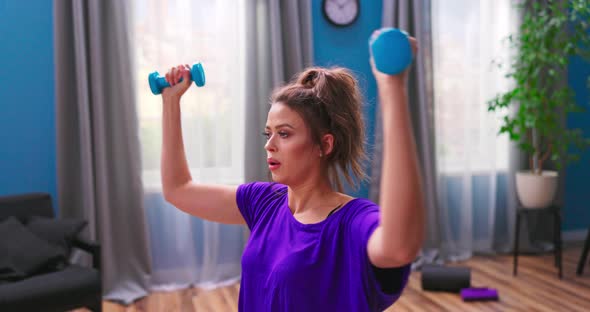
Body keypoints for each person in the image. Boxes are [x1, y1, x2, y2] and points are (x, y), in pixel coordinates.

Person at [160, 31, 424, 312]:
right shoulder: (263, 203)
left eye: (284, 134)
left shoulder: (351, 224)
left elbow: (399, 248)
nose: (269, 146)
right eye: (268, 134)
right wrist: (170, 102)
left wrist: (392, 85)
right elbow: (178, 190)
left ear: (324, 144)